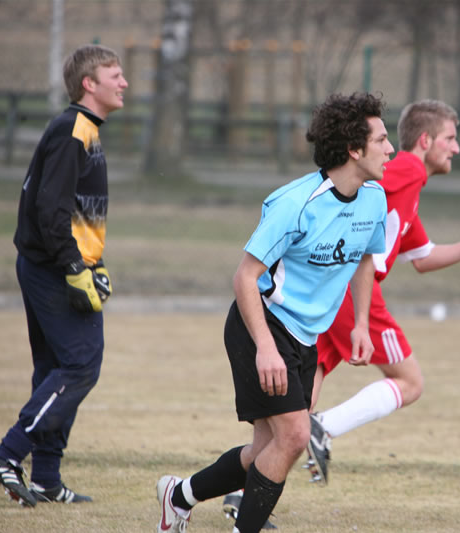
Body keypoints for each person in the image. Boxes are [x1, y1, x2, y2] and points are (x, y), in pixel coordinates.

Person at [155, 92, 393, 533]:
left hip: (306, 339)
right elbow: (245, 278)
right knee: (295, 437)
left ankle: (178, 494)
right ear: (354, 150)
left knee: (267, 448)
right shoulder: (294, 204)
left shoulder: (374, 199)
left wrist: (359, 324)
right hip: (261, 327)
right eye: (381, 139)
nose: (390, 147)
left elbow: (363, 259)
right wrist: (265, 348)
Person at [305, 99, 460, 484]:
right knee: (411, 382)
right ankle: (324, 428)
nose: (456, 148)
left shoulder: (410, 187)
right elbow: (355, 186)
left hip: (337, 289)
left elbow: (423, 256)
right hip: (355, 291)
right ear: (425, 140)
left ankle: (245, 490)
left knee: (302, 399)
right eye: (450, 138)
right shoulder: (405, 169)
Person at [0, 44, 128, 507]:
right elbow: (50, 209)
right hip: (52, 270)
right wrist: (74, 267)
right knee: (81, 366)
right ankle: (6, 455)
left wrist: (92, 262)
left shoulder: (84, 130)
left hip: (54, 266)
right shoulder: (72, 131)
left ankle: (45, 477)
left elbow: (74, 211)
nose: (124, 83)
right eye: (115, 75)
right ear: (90, 84)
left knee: (53, 370)